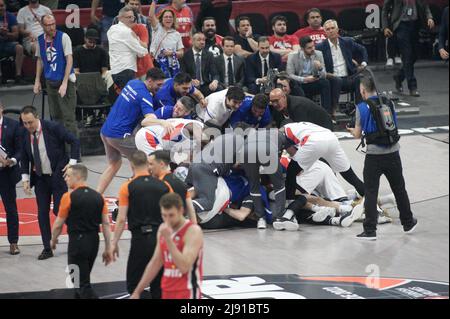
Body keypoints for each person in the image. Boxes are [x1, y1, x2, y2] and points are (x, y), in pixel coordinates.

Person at [347, 76, 417, 240]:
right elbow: (394, 126)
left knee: (371, 191)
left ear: (363, 90)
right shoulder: (389, 103)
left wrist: (351, 130)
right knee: (399, 188)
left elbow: (357, 134)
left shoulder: (361, 107)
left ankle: (370, 230)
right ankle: (408, 222)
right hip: (393, 152)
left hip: (374, 156)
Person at [20, 105, 80, 260]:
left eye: (30, 122)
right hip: (40, 178)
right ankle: (47, 248)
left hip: (57, 176)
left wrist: (72, 163)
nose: (28, 126)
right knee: (41, 214)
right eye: (24, 123)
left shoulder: (53, 128)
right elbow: (25, 157)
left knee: (59, 210)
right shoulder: (24, 133)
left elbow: (74, 141)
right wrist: (25, 178)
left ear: (37, 117)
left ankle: (77, 236)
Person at [111, 150, 173, 298]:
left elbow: (120, 219)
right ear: (147, 165)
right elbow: (174, 215)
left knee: (134, 285)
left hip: (140, 239)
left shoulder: (127, 187)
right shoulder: (164, 186)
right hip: (161, 238)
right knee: (159, 285)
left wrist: (114, 243)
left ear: (131, 165)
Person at [98, 68, 166, 194]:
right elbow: (148, 119)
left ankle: (96, 196)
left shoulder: (132, 83)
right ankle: (130, 196)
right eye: (159, 85)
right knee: (145, 164)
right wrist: (163, 122)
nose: (160, 88)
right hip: (119, 136)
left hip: (105, 131)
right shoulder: (145, 97)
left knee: (114, 164)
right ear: (150, 81)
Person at [50, 164, 112, 299]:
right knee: (83, 280)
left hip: (77, 244)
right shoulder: (98, 197)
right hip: (93, 243)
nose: (65, 179)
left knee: (80, 283)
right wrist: (108, 247)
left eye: (68, 176)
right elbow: (106, 224)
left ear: (78, 177)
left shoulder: (68, 197)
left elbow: (58, 225)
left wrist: (53, 240)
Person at [130, 192, 203, 300]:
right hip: (167, 291)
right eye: (164, 215)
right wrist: (137, 292)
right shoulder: (163, 229)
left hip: (187, 293)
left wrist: (169, 240)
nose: (168, 220)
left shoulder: (193, 231)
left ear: (181, 211)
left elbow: (184, 267)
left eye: (171, 215)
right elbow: (155, 262)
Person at [282, 121, 365, 203]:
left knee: (291, 171)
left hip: (313, 141)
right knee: (350, 175)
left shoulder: (282, 132)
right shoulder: (301, 126)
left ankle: (289, 201)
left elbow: (293, 153)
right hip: (331, 137)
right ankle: (371, 199)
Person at [34, 14, 77, 136]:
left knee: (69, 118)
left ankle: (73, 152)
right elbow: (40, 60)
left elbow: (69, 60)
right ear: (42, 26)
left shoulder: (63, 37)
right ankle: (60, 149)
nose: (51, 27)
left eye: (53, 24)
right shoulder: (40, 40)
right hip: (50, 81)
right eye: (48, 25)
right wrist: (37, 81)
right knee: (56, 117)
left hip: (65, 81)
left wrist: (64, 83)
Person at [236, 128, 288, 229]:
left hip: (246, 151)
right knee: (279, 185)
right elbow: (278, 159)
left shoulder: (255, 133)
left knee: (254, 186)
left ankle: (261, 219)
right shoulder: (281, 134)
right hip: (267, 149)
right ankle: (280, 217)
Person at [382, 0, 434, 96]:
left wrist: (429, 17)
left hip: (415, 24)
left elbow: (424, 5)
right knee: (407, 55)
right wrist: (385, 27)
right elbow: (385, 9)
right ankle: (412, 87)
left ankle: (399, 76)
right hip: (401, 25)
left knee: (414, 56)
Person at [316, 20, 368, 116]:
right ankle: (333, 111)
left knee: (360, 78)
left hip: (348, 77)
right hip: (331, 78)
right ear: (325, 32)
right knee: (337, 80)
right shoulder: (320, 47)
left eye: (332, 28)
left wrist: (363, 63)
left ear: (337, 30)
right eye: (328, 29)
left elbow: (362, 49)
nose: (331, 31)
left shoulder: (347, 41)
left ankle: (360, 110)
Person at [148, 150, 197, 224]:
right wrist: (194, 227)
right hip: (180, 226)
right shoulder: (179, 182)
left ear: (161, 164)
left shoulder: (160, 184)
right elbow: (190, 209)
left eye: (151, 164)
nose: (149, 167)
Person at [287, 36, 331, 114]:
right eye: (309, 48)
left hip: (313, 81)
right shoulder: (293, 56)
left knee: (325, 82)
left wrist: (320, 68)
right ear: (302, 49)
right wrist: (304, 79)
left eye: (313, 46)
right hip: (300, 83)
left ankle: (326, 113)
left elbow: (324, 75)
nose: (313, 49)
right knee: (295, 85)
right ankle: (304, 113)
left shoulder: (318, 54)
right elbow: (289, 75)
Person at [108, 6, 148, 90]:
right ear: (120, 18)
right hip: (126, 71)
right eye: (128, 17)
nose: (131, 19)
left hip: (115, 71)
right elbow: (142, 52)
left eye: (132, 17)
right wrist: (137, 38)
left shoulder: (111, 29)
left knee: (124, 97)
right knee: (131, 99)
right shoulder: (127, 32)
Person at [0, 100, 22, 255]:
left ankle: (13, 242)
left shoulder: (13, 125)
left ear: (1, 109)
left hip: (7, 173)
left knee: (10, 208)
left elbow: (21, 149)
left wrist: (12, 160)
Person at [269, 88, 333, 130]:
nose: (274, 104)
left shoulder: (297, 106)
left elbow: (303, 130)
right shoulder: (278, 108)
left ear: (284, 97)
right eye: (272, 101)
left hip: (324, 127)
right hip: (310, 129)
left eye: (276, 101)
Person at [135, 118, 203, 156]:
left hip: (158, 142)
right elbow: (194, 127)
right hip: (149, 135)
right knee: (159, 166)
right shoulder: (196, 125)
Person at [149, 0, 184, 74]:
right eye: (166, 17)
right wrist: (154, 1)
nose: (168, 19)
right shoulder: (157, 28)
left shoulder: (176, 34)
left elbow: (181, 53)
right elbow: (151, 16)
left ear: (173, 19)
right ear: (161, 19)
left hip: (172, 66)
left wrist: (171, 53)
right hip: (157, 64)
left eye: (170, 17)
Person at [179, 32, 219, 96]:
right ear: (192, 41)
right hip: (191, 86)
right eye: (199, 40)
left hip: (206, 85)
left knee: (219, 88)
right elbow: (182, 73)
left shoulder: (209, 55)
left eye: (203, 40)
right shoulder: (185, 55)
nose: (202, 42)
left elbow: (215, 73)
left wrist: (215, 81)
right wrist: (191, 81)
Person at [0, 0, 26, 84]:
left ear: (5, 6)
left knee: (19, 48)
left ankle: (18, 76)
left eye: (2, 6)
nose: (0, 8)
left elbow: (16, 35)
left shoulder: (10, 16)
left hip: (7, 43)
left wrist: (6, 33)